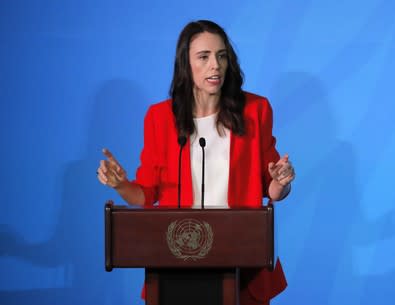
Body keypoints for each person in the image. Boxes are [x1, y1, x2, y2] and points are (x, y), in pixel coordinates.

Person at [97, 20, 295, 305]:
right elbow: (146, 194)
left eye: (222, 55)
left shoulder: (256, 110)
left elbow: (273, 190)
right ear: (185, 65)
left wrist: (281, 180)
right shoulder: (160, 118)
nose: (215, 65)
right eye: (204, 57)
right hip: (177, 264)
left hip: (243, 262)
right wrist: (120, 185)